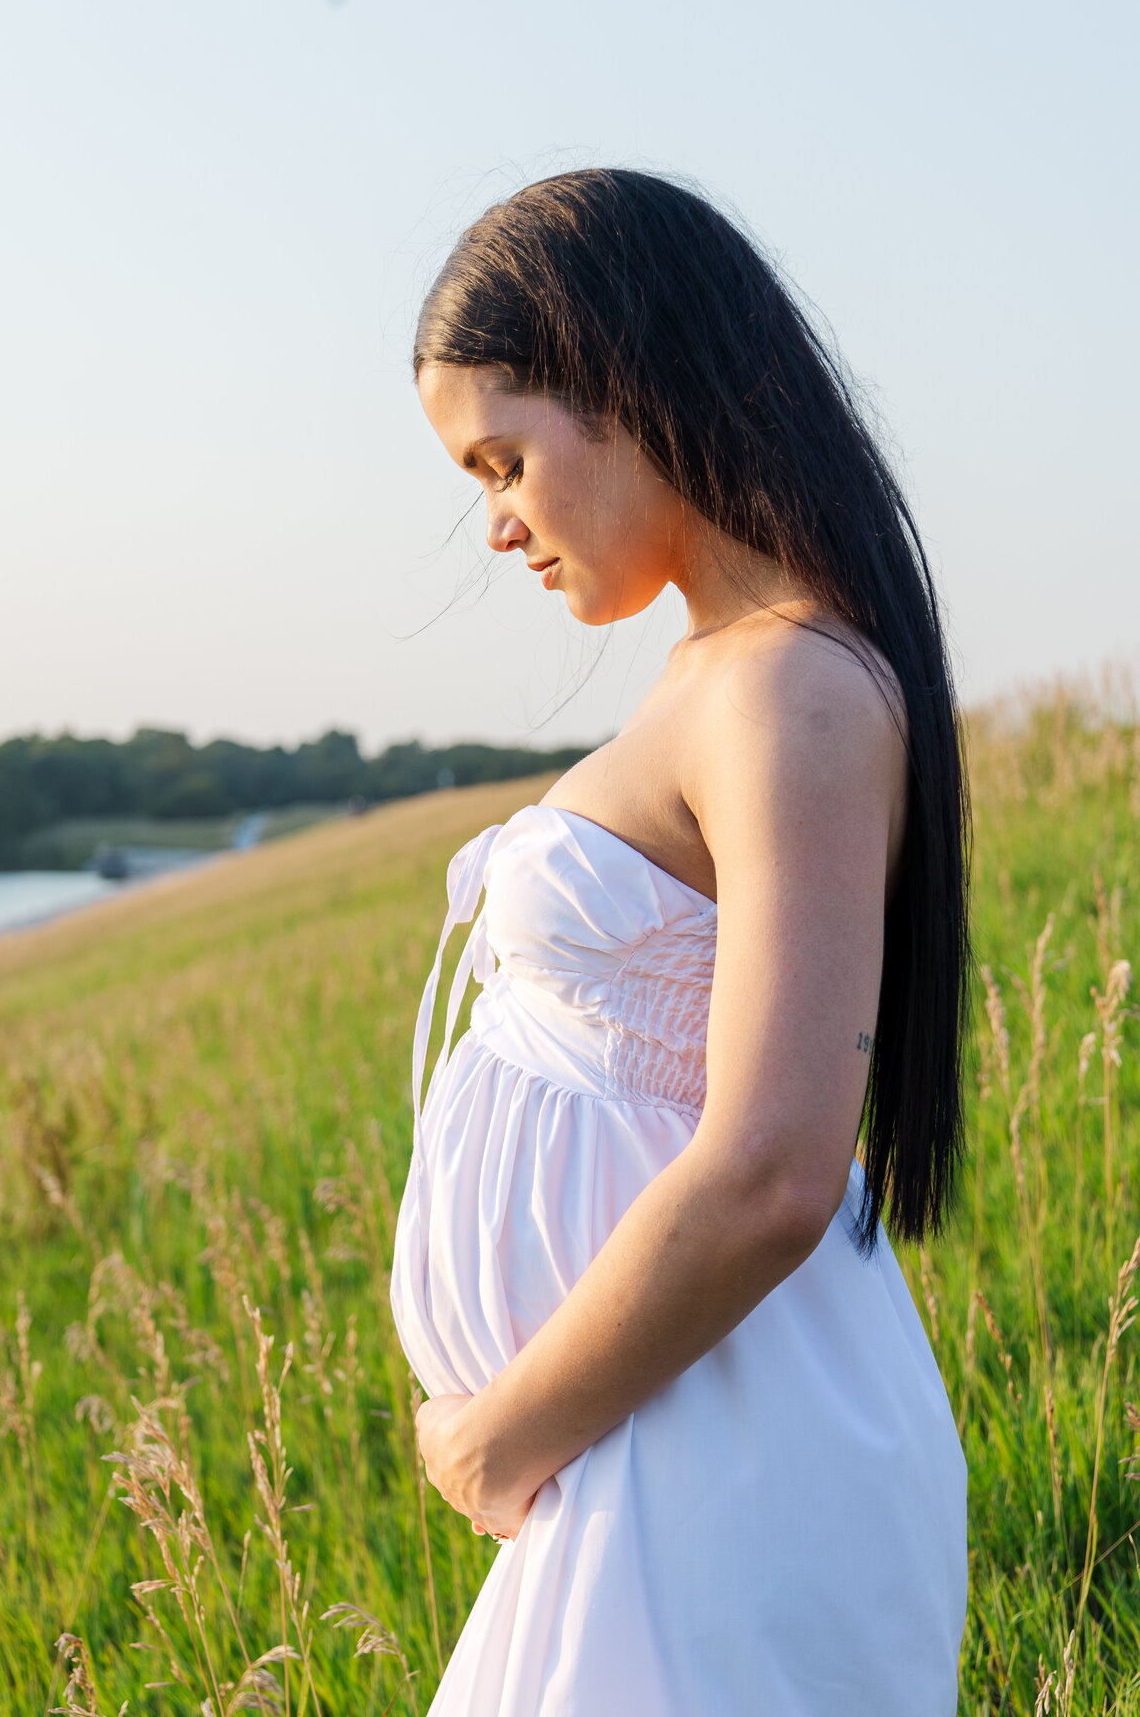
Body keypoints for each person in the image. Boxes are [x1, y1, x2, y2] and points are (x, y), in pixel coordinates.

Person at [389, 168, 968, 1716]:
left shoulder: (793, 686)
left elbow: (777, 1167)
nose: (498, 524)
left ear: (632, 378)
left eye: (505, 459)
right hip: (666, 1438)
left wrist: (509, 1428)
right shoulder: (723, 666)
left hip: (715, 1438)